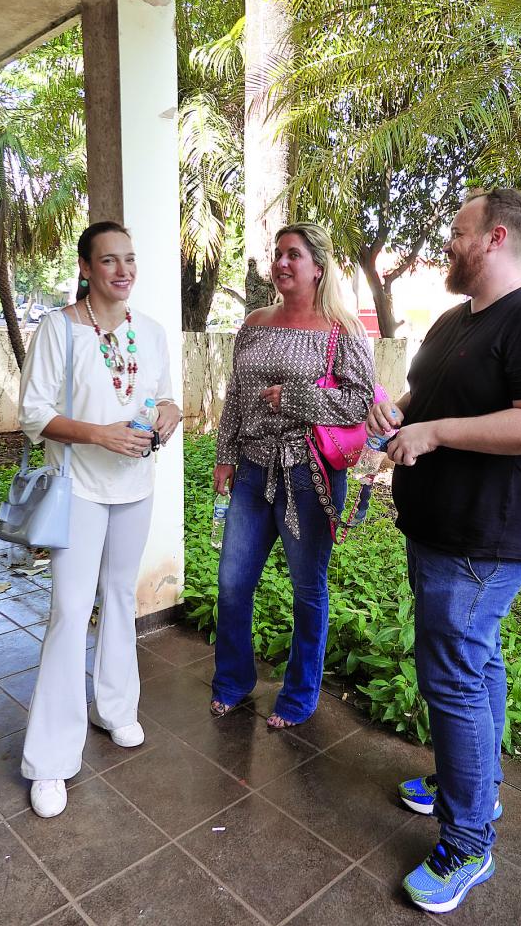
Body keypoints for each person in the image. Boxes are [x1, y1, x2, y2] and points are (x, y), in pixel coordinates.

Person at [367, 189, 521, 913]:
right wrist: (396, 416)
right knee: (477, 659)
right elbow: (423, 399)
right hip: (443, 528)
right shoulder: (454, 321)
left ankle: (467, 844)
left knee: (453, 675)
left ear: (495, 238)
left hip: (486, 535)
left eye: (457, 232)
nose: (446, 244)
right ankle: (475, 786)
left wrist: (434, 434)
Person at [18, 220, 182, 818]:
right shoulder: (60, 330)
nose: (123, 270)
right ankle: (52, 760)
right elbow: (33, 414)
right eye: (109, 260)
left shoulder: (153, 332)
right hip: (78, 488)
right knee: (68, 611)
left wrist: (167, 416)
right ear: (86, 268)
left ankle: (115, 708)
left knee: (119, 597)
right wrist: (99, 435)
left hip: (135, 486)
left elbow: (167, 397)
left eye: (130, 259)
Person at [212, 222, 375, 728]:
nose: (282, 263)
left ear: (318, 268)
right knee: (233, 583)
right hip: (253, 471)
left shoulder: (341, 330)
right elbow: (237, 393)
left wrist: (297, 398)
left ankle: (300, 693)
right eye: (278, 254)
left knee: (309, 589)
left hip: (309, 476)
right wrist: (225, 453)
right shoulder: (256, 322)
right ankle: (233, 682)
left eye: (294, 255)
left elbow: (361, 402)